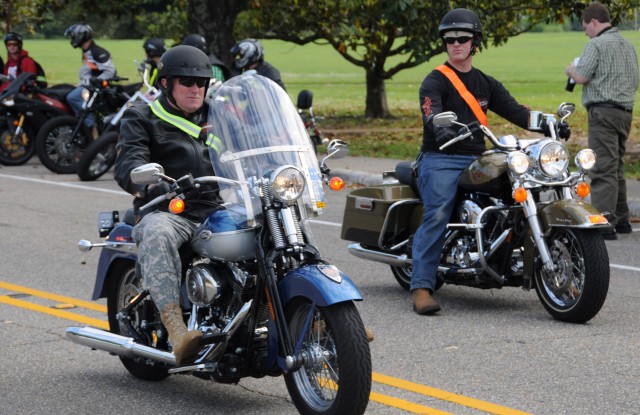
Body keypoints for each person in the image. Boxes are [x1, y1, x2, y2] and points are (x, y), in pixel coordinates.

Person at [412, 8, 531, 315]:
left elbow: (518, 112)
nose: (456, 44)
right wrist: (442, 124)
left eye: (462, 38)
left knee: (520, 193)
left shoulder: (485, 83)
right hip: (441, 157)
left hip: (477, 158)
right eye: (449, 39)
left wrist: (550, 123)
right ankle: (422, 287)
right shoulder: (435, 81)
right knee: (437, 212)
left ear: (475, 41)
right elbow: (431, 113)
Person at [114, 45, 221, 365]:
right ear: (166, 84)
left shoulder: (219, 115)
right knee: (156, 230)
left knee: (278, 219)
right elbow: (127, 163)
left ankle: (321, 316)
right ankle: (176, 329)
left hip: (217, 208)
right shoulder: (142, 117)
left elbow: (258, 140)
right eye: (187, 82)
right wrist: (148, 180)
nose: (196, 89)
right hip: (171, 209)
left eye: (201, 82)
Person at [564, 1, 639, 240]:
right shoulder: (628, 45)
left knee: (602, 167)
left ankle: (604, 220)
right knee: (615, 164)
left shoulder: (595, 45)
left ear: (594, 22)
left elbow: (583, 76)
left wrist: (570, 71)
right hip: (625, 111)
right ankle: (622, 218)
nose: (586, 32)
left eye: (586, 27)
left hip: (603, 112)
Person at [64, 22, 116, 128]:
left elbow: (110, 71)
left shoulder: (97, 51)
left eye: (73, 37)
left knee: (72, 97)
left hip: (97, 87)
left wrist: (96, 80)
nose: (72, 40)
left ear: (81, 36)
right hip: (89, 85)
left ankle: (89, 121)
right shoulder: (87, 51)